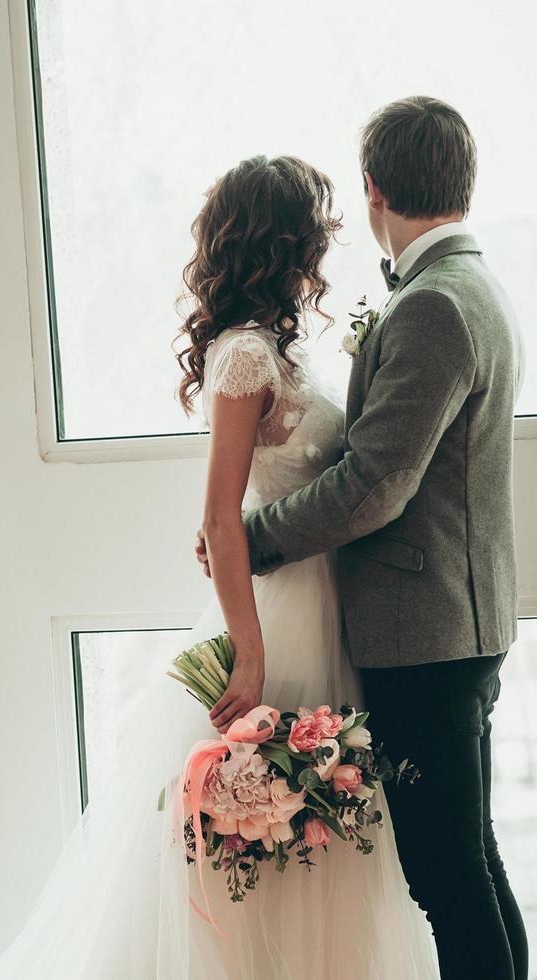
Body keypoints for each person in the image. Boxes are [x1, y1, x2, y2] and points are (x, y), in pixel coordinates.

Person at [0, 151, 439, 979]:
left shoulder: (278, 349)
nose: (327, 243)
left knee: (327, 835)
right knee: (273, 836)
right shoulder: (243, 357)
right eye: (316, 229)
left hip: (328, 604)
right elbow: (219, 518)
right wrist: (251, 654)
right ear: (284, 239)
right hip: (282, 617)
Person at [197, 97, 528, 980]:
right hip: (445, 624)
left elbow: (376, 484)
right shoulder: (467, 288)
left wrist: (255, 536)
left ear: (376, 187)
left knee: (447, 876)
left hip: (426, 636)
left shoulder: (433, 305)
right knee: (470, 862)